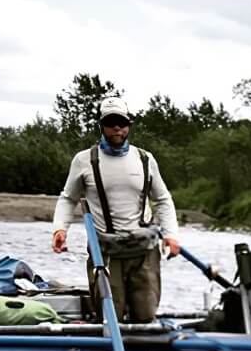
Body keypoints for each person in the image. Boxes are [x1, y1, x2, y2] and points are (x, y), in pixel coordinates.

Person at [50, 96, 180, 322]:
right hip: (106, 253)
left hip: (143, 252)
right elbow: (68, 198)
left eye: (122, 122)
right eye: (111, 122)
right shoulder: (83, 160)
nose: (117, 128)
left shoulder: (145, 159)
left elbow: (163, 199)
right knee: (110, 316)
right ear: (102, 126)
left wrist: (170, 235)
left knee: (145, 314)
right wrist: (60, 229)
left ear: (129, 125)